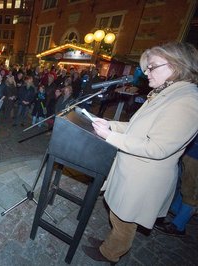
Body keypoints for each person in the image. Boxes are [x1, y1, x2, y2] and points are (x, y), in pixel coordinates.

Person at [82, 42, 198, 264]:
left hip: (143, 179)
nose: (146, 73)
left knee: (124, 221)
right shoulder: (165, 94)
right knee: (118, 217)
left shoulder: (187, 100)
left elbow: (159, 147)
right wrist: (110, 125)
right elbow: (137, 127)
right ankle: (110, 244)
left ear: (174, 66)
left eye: (152, 67)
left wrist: (110, 137)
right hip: (133, 172)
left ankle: (110, 254)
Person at [154, 135, 198, 236]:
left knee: (192, 191)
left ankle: (178, 226)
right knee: (183, 181)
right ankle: (176, 210)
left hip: (196, 154)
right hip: (190, 149)